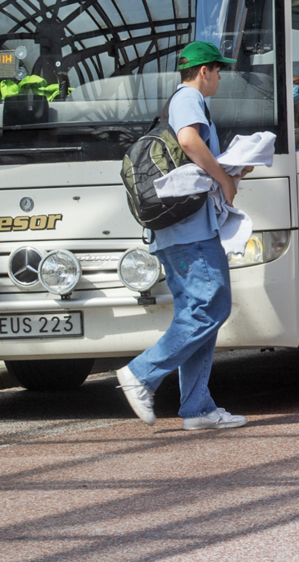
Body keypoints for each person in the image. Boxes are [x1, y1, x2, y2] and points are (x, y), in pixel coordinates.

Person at [116, 41, 250, 431]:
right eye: (218, 70)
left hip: (179, 230)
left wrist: (234, 172)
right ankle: (142, 374)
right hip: (189, 232)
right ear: (203, 71)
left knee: (199, 314)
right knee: (213, 307)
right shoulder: (188, 98)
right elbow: (190, 142)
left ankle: (197, 408)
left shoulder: (180, 102)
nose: (221, 77)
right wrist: (224, 178)